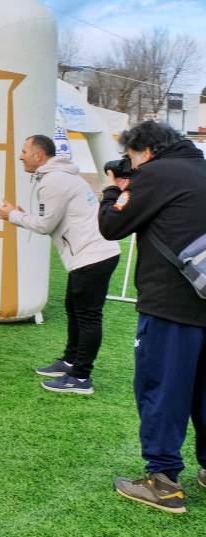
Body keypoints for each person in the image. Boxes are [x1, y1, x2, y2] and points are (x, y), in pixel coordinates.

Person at [97, 121, 206, 513]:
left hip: (170, 304)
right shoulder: (200, 168)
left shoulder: (156, 173)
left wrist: (115, 189)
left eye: (130, 158)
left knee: (162, 389)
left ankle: (163, 482)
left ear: (144, 151)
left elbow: (112, 225)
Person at [0, 134, 120, 394]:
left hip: (92, 256)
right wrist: (21, 214)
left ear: (39, 156)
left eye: (24, 150)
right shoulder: (61, 176)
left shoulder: (53, 181)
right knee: (74, 309)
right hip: (90, 255)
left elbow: (44, 225)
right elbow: (52, 218)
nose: (20, 156)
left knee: (87, 316)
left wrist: (13, 216)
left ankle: (81, 378)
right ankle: (71, 361)